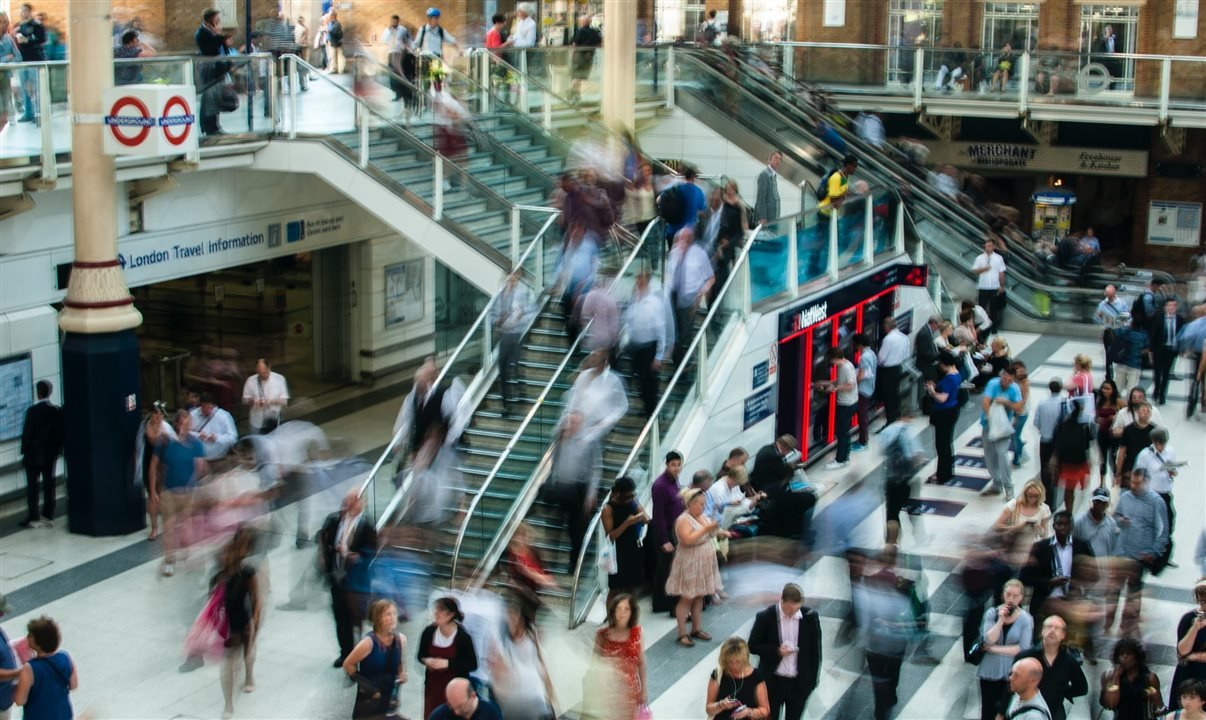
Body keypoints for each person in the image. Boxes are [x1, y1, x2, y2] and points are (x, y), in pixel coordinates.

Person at [319, 491, 377, 668]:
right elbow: (322, 539)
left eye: (354, 500)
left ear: (362, 503)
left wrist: (357, 557)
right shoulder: (334, 520)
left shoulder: (366, 525)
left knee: (355, 619)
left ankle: (357, 654)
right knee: (339, 617)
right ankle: (344, 652)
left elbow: (373, 552)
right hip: (337, 577)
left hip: (355, 582)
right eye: (347, 500)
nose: (349, 504)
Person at [747, 584, 821, 720]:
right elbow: (752, 646)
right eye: (789, 609)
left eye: (796, 609)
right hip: (773, 682)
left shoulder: (810, 617)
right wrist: (776, 651)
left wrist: (811, 683)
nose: (793, 613)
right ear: (782, 600)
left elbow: (816, 652)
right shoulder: (765, 617)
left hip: (798, 684)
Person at [1113, 468, 1169, 636]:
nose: (1133, 486)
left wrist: (1153, 551)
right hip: (1122, 553)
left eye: (1137, 483)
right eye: (1132, 482)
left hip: (1139, 557)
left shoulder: (1156, 502)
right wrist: (1120, 520)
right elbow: (1115, 516)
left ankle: (1127, 626)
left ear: (1146, 482)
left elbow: (1163, 531)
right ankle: (1109, 620)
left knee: (1133, 592)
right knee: (1114, 590)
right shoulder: (1125, 497)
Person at [215, 527, 261, 719]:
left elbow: (257, 600)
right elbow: (213, 605)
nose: (226, 556)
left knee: (247, 653)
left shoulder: (247, 573)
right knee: (227, 663)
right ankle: (228, 703)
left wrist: (255, 623)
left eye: (229, 553)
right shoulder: (218, 577)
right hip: (227, 625)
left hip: (244, 620)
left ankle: (249, 675)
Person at [667, 487, 722, 646]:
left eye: (704, 504)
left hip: (703, 559)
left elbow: (709, 533)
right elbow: (687, 540)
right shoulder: (683, 519)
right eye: (699, 504)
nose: (702, 508)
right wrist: (706, 528)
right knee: (687, 597)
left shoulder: (702, 516)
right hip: (690, 560)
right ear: (689, 504)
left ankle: (696, 629)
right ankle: (682, 632)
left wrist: (717, 530)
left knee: (699, 595)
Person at [1019, 511, 1095, 623]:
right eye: (1059, 524)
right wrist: (1049, 582)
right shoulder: (1041, 547)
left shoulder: (1082, 546)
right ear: (1053, 525)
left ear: (1072, 526)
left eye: (1066, 524)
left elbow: (1093, 573)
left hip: (1072, 603)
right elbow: (1025, 576)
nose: (1062, 528)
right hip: (1045, 602)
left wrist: (1077, 586)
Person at [977, 579, 1034, 720]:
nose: (1011, 599)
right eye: (1008, 594)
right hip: (990, 670)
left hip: (1012, 673)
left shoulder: (1026, 619)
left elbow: (1022, 648)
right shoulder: (992, 613)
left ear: (1021, 597)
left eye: (1015, 596)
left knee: (1007, 712)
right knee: (988, 712)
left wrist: (993, 649)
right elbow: (988, 639)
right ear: (1003, 594)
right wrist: (1001, 620)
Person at [490, 600, 556, 720]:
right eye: (508, 617)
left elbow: (542, 664)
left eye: (514, 616)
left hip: (535, 696)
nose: (511, 621)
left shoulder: (532, 635)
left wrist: (550, 693)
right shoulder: (501, 641)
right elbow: (496, 674)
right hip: (514, 701)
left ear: (521, 619)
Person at [1014, 614, 1088, 720]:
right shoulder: (1025, 657)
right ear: (1042, 631)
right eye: (1049, 627)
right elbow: (1010, 685)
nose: (1052, 630)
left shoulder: (1069, 662)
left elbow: (1082, 688)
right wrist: (1001, 713)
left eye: (1057, 628)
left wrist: (1064, 692)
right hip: (1026, 710)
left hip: (1054, 711)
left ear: (1063, 635)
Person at [586, 594, 647, 720]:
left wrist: (644, 689)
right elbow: (594, 664)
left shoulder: (637, 633)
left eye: (626, 609)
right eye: (618, 609)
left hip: (630, 693)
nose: (622, 613)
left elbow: (641, 663)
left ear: (632, 612)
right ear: (613, 612)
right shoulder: (602, 635)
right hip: (607, 693)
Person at [344, 599, 406, 719]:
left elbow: (400, 665)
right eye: (388, 614)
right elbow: (348, 664)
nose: (393, 617)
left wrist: (402, 673)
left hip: (388, 701)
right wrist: (370, 689)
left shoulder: (401, 640)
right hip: (369, 703)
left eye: (394, 613)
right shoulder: (368, 643)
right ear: (378, 618)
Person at [418, 597, 479, 720]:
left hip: (455, 691)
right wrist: (427, 661)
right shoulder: (429, 632)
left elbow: (472, 664)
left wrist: (448, 664)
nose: (436, 613)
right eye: (436, 609)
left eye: (441, 610)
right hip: (433, 687)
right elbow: (420, 655)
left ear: (451, 614)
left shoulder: (463, 637)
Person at [624, 268, 672, 419]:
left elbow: (661, 331)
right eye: (637, 279)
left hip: (649, 347)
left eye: (640, 280)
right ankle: (646, 406)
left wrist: (658, 356)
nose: (637, 283)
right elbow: (629, 319)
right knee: (638, 380)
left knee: (649, 383)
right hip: (636, 346)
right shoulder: (635, 300)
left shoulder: (654, 303)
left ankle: (652, 412)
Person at [666, 227, 715, 365]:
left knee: (684, 335)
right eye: (681, 239)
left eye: (686, 239)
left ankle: (684, 364)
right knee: (675, 334)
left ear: (691, 240)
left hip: (690, 299)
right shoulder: (674, 253)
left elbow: (711, 278)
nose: (683, 242)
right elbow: (669, 275)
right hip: (673, 297)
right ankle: (679, 363)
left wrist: (700, 294)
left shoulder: (700, 254)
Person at [1132, 426, 1178, 569]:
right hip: (1150, 495)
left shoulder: (1170, 451)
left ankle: (1164, 557)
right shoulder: (1145, 455)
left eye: (1163, 443)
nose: (1161, 446)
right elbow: (1137, 473)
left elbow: (1173, 469)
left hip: (1165, 493)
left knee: (1168, 524)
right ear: (1153, 441)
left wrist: (1173, 472)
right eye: (1159, 443)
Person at [19, 380, 63, 530]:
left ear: (38, 393)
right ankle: (48, 515)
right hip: (50, 455)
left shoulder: (32, 411)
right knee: (48, 484)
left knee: (33, 486)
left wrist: (25, 451)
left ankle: (33, 516)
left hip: (33, 455)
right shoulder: (55, 411)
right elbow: (59, 434)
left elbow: (27, 434)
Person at [12, 616, 75, 718]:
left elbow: (20, 700)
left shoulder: (29, 668)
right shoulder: (65, 657)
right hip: (63, 713)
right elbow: (73, 685)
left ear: (36, 640)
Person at [980, 365, 1025, 500]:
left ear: (1012, 380)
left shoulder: (1014, 389)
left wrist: (1006, 402)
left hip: (1004, 427)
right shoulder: (993, 384)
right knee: (989, 455)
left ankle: (1008, 486)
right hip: (988, 424)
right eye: (1003, 377)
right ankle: (996, 483)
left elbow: (1019, 408)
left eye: (1008, 379)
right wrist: (991, 418)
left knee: (1002, 455)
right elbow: (985, 402)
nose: (1005, 381)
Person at [601, 477, 649, 604]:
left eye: (632, 494)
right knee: (615, 589)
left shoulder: (632, 502)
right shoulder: (608, 509)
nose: (630, 497)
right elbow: (610, 536)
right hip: (617, 552)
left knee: (632, 586)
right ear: (618, 493)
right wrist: (626, 523)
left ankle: (630, 619)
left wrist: (639, 510)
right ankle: (612, 620)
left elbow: (647, 519)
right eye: (628, 495)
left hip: (633, 548)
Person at [650, 451, 686, 613]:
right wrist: (664, 539)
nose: (676, 468)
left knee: (671, 567)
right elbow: (658, 515)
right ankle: (659, 602)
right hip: (664, 531)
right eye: (673, 465)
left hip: (675, 529)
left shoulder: (674, 481)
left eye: (679, 465)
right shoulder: (660, 486)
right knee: (664, 568)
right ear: (666, 465)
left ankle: (668, 600)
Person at [705, 638, 770, 720]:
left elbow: (765, 710)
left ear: (745, 659)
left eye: (738, 662)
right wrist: (720, 705)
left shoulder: (756, 676)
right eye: (730, 662)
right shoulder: (718, 674)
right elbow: (708, 709)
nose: (734, 666)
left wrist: (749, 712)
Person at [1100, 638, 1162, 719]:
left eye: (1129, 653)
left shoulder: (1149, 678)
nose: (1124, 657)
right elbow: (1110, 704)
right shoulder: (1109, 676)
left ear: (1136, 657)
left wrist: (1156, 699)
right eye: (1121, 654)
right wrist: (1116, 677)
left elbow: (1159, 710)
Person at [925, 353, 963, 484]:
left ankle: (943, 474)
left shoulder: (949, 379)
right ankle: (946, 471)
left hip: (944, 413)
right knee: (946, 443)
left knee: (942, 445)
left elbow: (942, 398)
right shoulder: (957, 374)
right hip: (952, 411)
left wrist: (932, 392)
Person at [1169, 582, 1206, 711]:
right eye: (1201, 601)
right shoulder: (1188, 618)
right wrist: (1195, 628)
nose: (1203, 606)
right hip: (1188, 673)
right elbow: (1182, 652)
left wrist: (1196, 656)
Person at [819, 347, 858, 470]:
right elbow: (840, 381)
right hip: (851, 402)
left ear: (834, 358)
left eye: (831, 360)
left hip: (846, 404)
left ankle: (840, 459)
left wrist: (834, 389)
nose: (831, 363)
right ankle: (845, 457)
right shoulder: (847, 365)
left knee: (841, 433)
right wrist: (827, 383)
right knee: (844, 432)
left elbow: (850, 385)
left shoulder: (845, 368)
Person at [876, 316, 910, 427]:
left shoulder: (888, 339)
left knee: (888, 396)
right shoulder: (904, 337)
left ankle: (890, 420)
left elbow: (881, 358)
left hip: (887, 371)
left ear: (886, 327)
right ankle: (896, 416)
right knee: (895, 395)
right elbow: (906, 354)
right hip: (898, 369)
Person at [1114, 400, 1156, 489]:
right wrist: (1118, 473)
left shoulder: (1154, 430)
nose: (1145, 413)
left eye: (1148, 411)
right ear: (1137, 411)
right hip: (1130, 467)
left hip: (1148, 469)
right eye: (1142, 410)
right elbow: (1121, 452)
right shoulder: (1128, 429)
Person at [1152, 298, 1186, 406]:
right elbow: (1153, 333)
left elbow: (1181, 335)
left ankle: (1162, 394)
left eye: (1174, 305)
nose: (1171, 308)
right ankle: (1156, 390)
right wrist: (1151, 349)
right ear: (1165, 307)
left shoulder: (1180, 319)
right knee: (1157, 372)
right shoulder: (1159, 318)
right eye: (1169, 305)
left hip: (1171, 350)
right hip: (1159, 349)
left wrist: (1181, 349)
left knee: (1166, 373)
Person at [241, 358, 288, 435]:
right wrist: (253, 402)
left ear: (269, 367)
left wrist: (270, 402)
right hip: (256, 420)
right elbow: (244, 399)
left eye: (265, 372)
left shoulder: (279, 379)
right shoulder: (250, 380)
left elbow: (284, 401)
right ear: (256, 370)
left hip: (273, 419)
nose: (263, 375)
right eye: (260, 373)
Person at [972, 238, 1007, 335]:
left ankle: (994, 327)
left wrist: (1001, 285)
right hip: (983, 287)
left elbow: (1001, 272)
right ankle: (981, 326)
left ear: (994, 247)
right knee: (981, 308)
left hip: (994, 287)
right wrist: (984, 269)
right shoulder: (979, 258)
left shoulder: (998, 258)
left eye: (990, 246)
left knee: (994, 309)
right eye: (987, 246)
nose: (988, 247)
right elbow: (975, 270)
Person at [1109, 315, 1150, 398]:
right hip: (1135, 364)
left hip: (1122, 361)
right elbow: (1146, 349)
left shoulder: (1124, 331)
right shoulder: (1144, 335)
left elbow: (1112, 332)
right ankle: (1129, 405)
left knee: (1118, 386)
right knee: (1131, 389)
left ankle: (1116, 403)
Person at [429, 677, 502, 720]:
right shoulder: (439, 716)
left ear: (473, 696)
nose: (456, 712)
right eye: (451, 706)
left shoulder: (491, 712)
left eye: (460, 706)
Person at [1097, 285, 1129, 380]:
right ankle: (1109, 375)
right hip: (1108, 331)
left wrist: (1118, 319)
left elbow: (1127, 316)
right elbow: (1097, 318)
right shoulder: (1102, 304)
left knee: (1121, 353)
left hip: (1119, 331)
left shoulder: (1121, 303)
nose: (1109, 297)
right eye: (1107, 295)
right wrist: (1100, 316)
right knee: (1108, 353)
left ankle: (1123, 374)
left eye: (1111, 295)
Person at [853, 333, 878, 452]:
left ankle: (863, 441)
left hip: (863, 390)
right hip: (870, 388)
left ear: (860, 344)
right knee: (863, 415)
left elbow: (861, 375)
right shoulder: (871, 353)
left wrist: (852, 383)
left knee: (862, 416)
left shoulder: (864, 357)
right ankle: (863, 439)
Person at [569, 15, 601, 102]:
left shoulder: (580, 31)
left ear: (582, 22)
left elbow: (574, 44)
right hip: (589, 56)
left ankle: (573, 93)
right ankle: (576, 94)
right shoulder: (594, 32)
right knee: (580, 76)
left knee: (576, 75)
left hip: (579, 56)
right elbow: (599, 44)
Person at [381, 15, 413, 103]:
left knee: (401, 75)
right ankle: (397, 94)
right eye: (392, 21)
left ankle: (403, 93)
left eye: (395, 21)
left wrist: (408, 48)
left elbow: (409, 40)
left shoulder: (403, 30)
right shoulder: (387, 30)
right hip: (391, 53)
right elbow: (383, 40)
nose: (393, 23)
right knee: (392, 75)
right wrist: (389, 29)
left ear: (398, 21)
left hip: (400, 54)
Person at [755, 151, 782, 227]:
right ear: (769, 160)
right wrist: (763, 217)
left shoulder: (773, 175)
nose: (778, 161)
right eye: (776, 158)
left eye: (780, 159)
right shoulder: (764, 175)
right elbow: (761, 198)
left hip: (774, 217)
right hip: (767, 219)